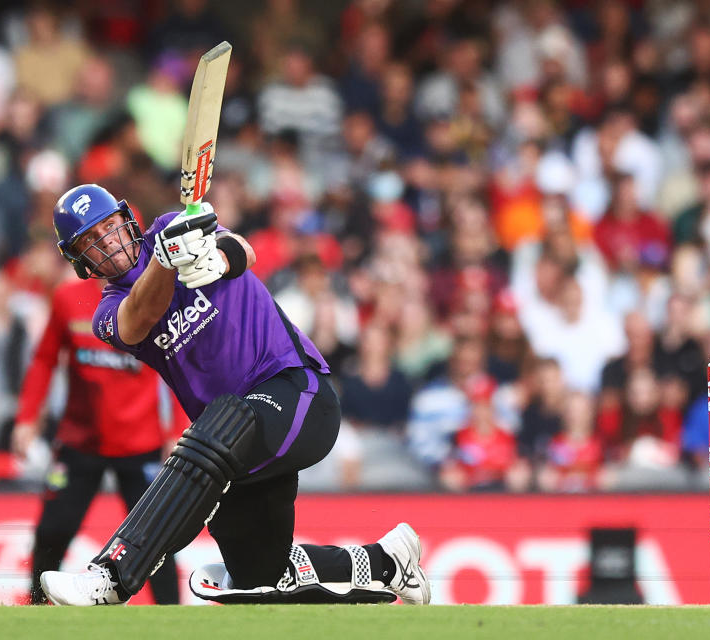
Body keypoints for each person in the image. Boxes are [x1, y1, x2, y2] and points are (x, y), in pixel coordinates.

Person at [39, 184, 429, 606]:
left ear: (126, 219)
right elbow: (139, 318)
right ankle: (389, 562)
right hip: (230, 446)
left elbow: (242, 249)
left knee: (222, 419)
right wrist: (166, 263)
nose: (109, 244)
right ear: (81, 263)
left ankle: (113, 575)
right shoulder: (106, 314)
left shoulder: (173, 226)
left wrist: (217, 258)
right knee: (260, 576)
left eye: (110, 228)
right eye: (91, 243)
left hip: (298, 394)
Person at [12, 274, 187, 605]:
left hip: (140, 443)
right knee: (52, 532)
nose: (110, 247)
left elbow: (176, 363)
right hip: (80, 442)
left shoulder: (155, 296)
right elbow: (44, 359)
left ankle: (173, 619)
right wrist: (26, 418)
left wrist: (177, 429)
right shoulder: (66, 297)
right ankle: (36, 612)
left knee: (156, 543)